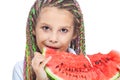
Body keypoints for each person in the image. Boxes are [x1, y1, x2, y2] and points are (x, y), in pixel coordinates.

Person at [12, 0, 86, 80]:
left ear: (75, 33)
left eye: (63, 30)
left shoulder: (86, 68)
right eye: (46, 28)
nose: (53, 39)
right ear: (33, 28)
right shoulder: (20, 69)